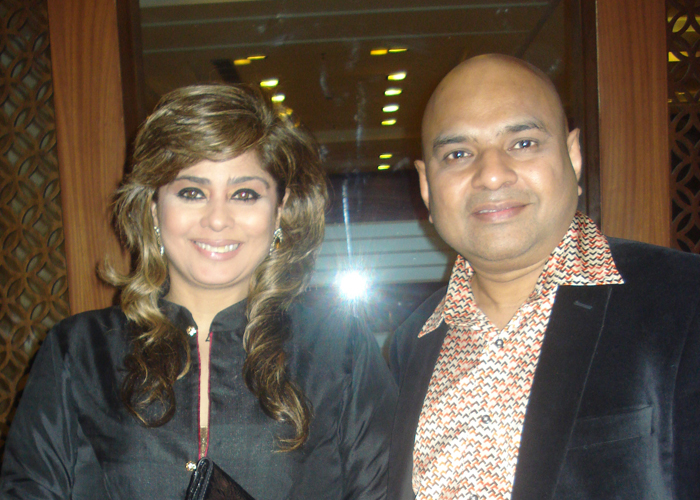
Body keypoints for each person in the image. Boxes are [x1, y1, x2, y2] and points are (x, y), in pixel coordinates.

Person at [1, 84, 397, 500]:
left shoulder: (340, 349)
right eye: (192, 192)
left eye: (244, 194)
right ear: (154, 207)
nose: (217, 219)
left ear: (279, 210)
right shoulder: (79, 350)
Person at [387, 54, 700, 500]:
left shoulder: (683, 302)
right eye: (458, 154)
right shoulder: (411, 343)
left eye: (523, 143)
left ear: (572, 155)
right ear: (426, 186)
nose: (491, 175)